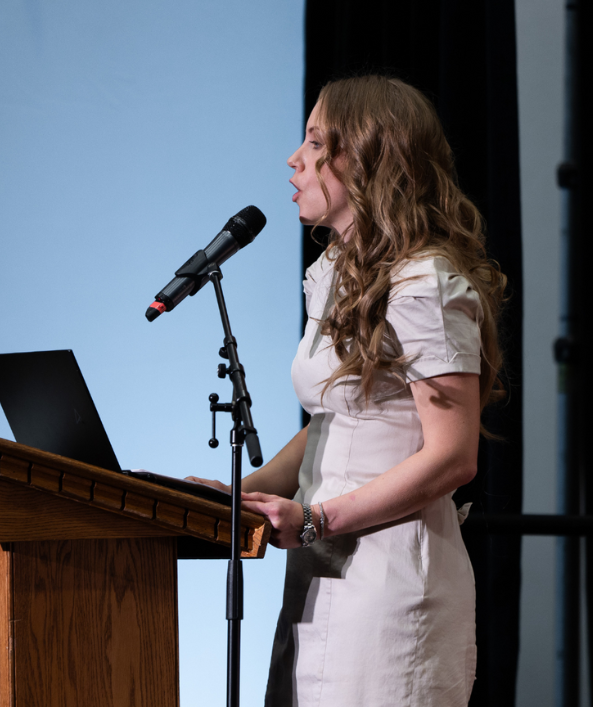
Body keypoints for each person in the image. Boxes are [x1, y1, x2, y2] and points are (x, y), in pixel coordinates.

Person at [187, 75, 505, 706]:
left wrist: (314, 521)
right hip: (319, 568)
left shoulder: (426, 284)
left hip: (389, 584)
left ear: (365, 158)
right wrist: (237, 497)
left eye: (314, 141)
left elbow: (453, 456)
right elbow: (335, 421)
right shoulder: (335, 272)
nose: (294, 158)